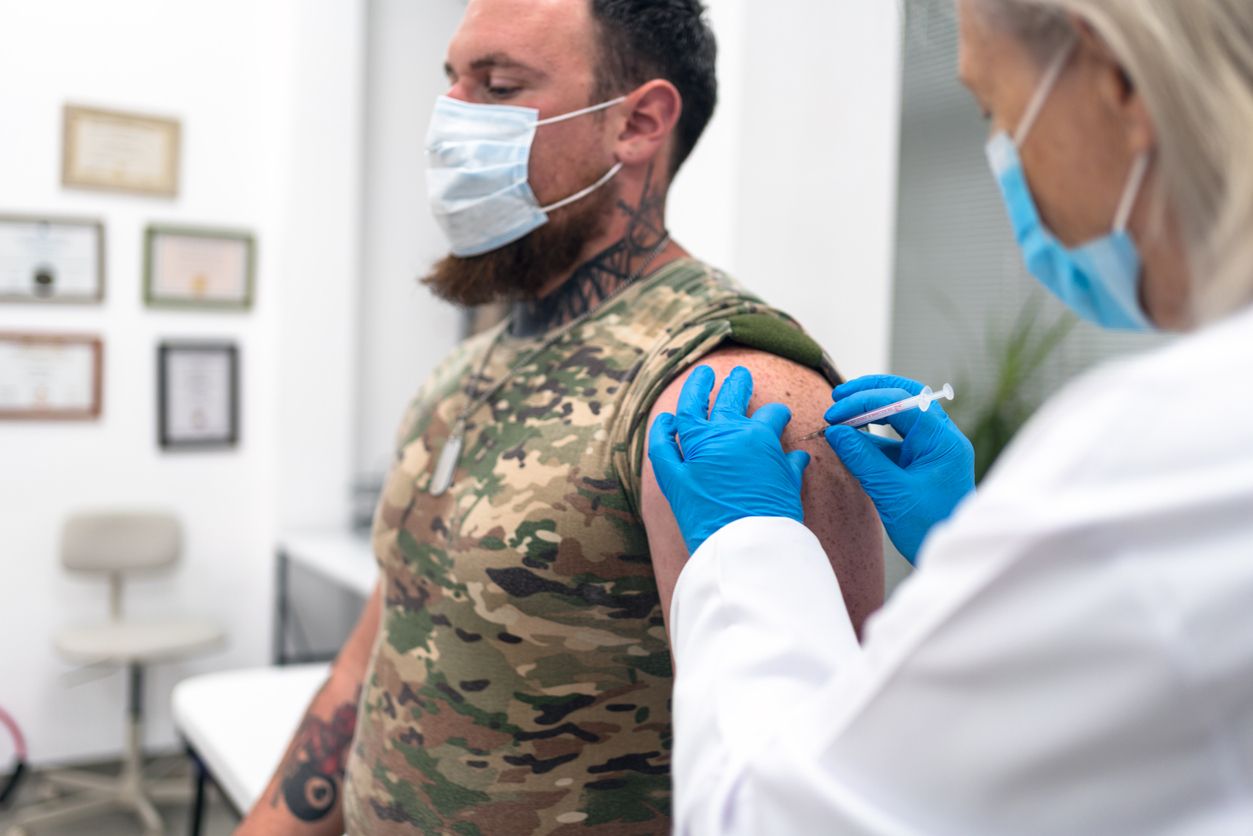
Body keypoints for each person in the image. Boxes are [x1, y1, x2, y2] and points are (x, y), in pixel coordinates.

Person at [238, 0, 882, 833]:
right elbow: (377, 649)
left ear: (638, 123)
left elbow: (821, 783)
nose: (450, 122)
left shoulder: (728, 389)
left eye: (498, 85)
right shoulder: (465, 368)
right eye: (452, 82)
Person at [648, 0, 1253, 833]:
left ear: (1115, 81)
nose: (1002, 158)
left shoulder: (1150, 453)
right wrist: (974, 546)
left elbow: (772, 817)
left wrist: (745, 549)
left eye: (994, 110)